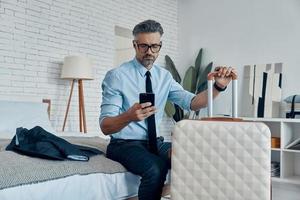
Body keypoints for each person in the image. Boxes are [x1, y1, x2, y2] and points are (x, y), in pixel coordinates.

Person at [99, 19, 237, 200]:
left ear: (160, 45)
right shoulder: (116, 76)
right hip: (124, 145)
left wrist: (218, 86)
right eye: (143, 46)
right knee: (155, 169)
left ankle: (171, 191)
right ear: (134, 45)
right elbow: (105, 126)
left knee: (197, 156)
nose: (149, 52)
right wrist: (129, 116)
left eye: (154, 46)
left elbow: (193, 102)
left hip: (155, 143)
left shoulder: (164, 76)